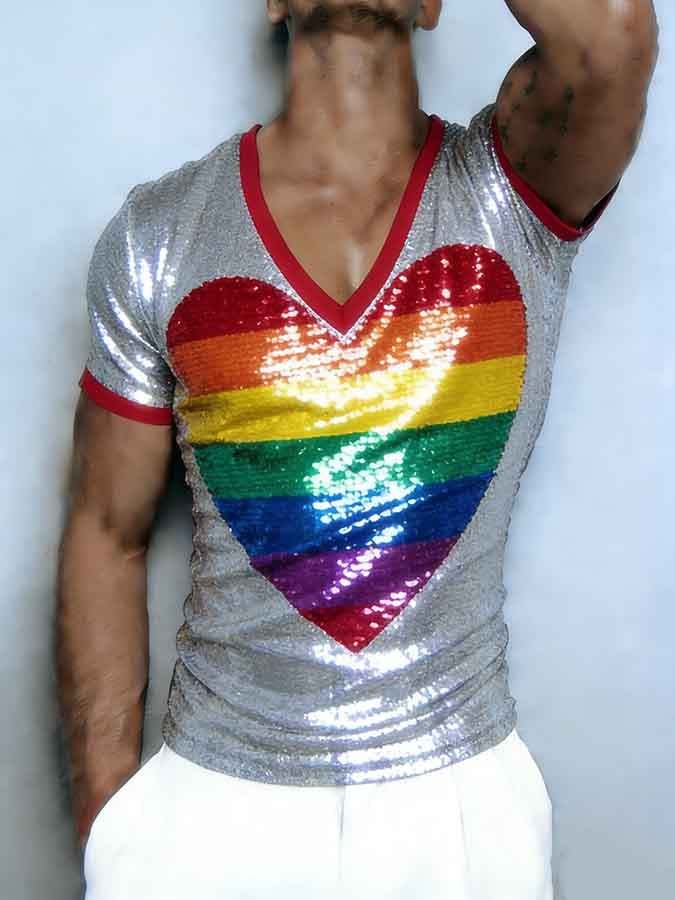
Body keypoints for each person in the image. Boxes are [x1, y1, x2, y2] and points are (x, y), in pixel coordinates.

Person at [54, 1, 658, 898]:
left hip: (458, 805)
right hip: (208, 805)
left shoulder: (512, 188)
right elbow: (107, 533)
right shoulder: (160, 233)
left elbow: (610, 32)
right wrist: (112, 831)